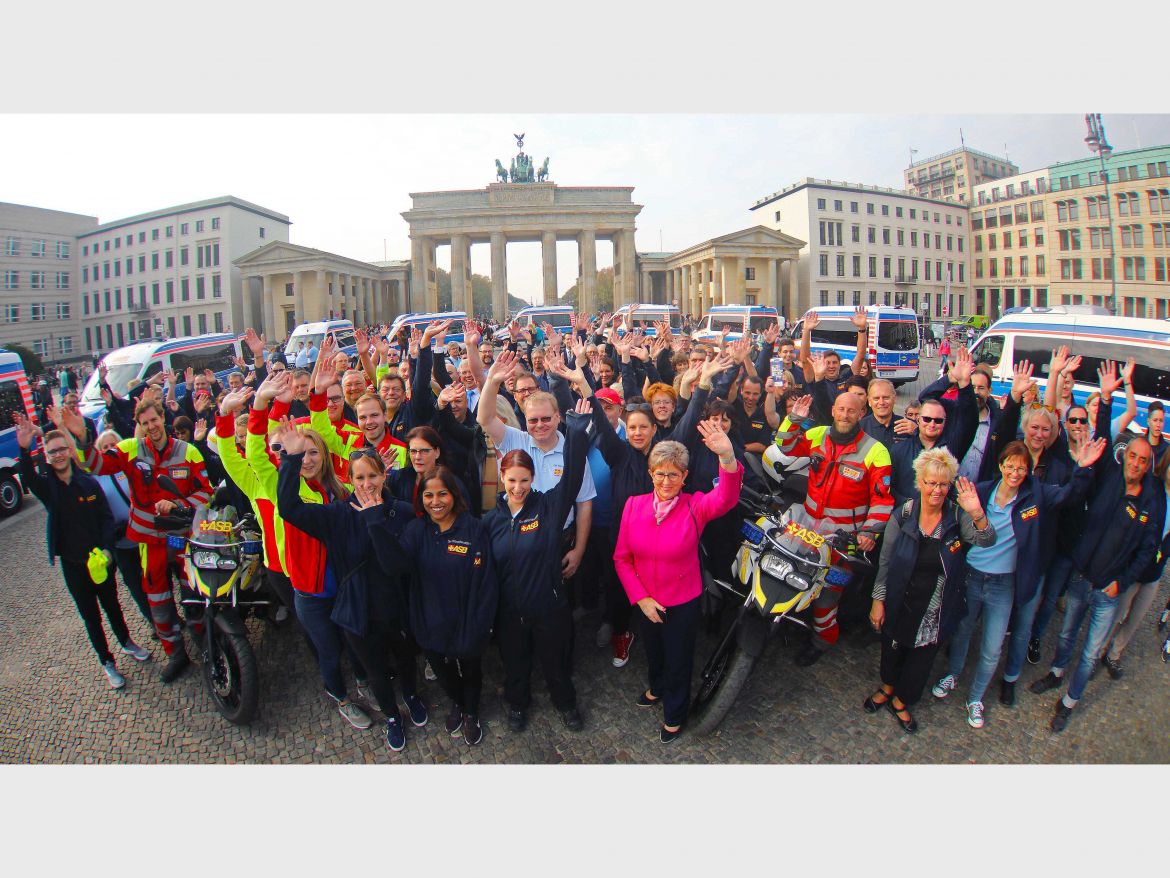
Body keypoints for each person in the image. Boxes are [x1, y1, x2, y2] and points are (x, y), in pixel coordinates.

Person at [931, 437, 1105, 729]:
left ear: (1029, 470)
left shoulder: (1036, 496)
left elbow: (1070, 495)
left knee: (992, 648)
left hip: (1004, 585)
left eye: (1021, 468)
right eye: (1010, 466)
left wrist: (1084, 468)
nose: (1015, 473)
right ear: (1000, 465)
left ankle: (975, 698)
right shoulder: (983, 491)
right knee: (961, 633)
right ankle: (953, 674)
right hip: (972, 577)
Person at [273, 424, 427, 753]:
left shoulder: (399, 512)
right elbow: (288, 508)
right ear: (351, 481)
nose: (367, 484)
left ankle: (412, 696)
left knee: (405, 661)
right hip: (358, 613)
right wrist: (291, 459)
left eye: (372, 476)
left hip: (396, 609)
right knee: (375, 670)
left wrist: (374, 519)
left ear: (384, 476)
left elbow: (397, 565)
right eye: (359, 478)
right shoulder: (338, 516)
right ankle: (391, 716)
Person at [613, 423, 744, 744]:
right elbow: (621, 558)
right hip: (646, 600)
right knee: (654, 652)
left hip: (682, 600)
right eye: (660, 474)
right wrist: (640, 598)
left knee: (679, 658)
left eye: (673, 475)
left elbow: (727, 497)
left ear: (684, 477)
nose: (666, 481)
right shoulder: (633, 505)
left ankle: (675, 711)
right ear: (650, 473)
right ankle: (657, 687)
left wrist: (726, 456)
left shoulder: (696, 505)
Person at [71, 397, 211, 682]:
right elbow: (94, 464)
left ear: (163, 418)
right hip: (151, 542)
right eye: (145, 423)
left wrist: (178, 502)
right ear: (140, 425)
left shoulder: (189, 452)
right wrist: (83, 438)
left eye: (155, 420)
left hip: (182, 538)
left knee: (194, 592)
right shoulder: (129, 449)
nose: (151, 427)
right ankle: (175, 653)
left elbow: (206, 493)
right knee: (158, 599)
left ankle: (204, 643)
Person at [1029, 432, 1160, 732]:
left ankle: (1070, 702)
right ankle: (1056, 673)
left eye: (1143, 460)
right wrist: (1106, 399)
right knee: (1065, 635)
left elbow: (1147, 551)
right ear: (1124, 457)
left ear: (1148, 466)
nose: (1136, 464)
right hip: (1081, 577)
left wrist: (1123, 581)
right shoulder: (1110, 481)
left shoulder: (1150, 503)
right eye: (1133, 457)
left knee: (1090, 653)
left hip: (1108, 590)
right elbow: (1100, 435)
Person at [364, 467, 499, 746]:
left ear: (454, 495)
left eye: (442, 494)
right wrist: (375, 524)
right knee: (445, 675)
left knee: (472, 672)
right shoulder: (416, 530)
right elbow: (394, 566)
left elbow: (486, 582)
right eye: (428, 495)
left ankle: (471, 712)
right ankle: (458, 703)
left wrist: (481, 625)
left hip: (468, 623)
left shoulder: (473, 528)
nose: (435, 501)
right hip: (430, 626)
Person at [16, 420, 151, 689]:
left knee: (113, 606)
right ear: (47, 456)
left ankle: (126, 642)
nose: (57, 455)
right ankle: (106, 661)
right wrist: (22, 448)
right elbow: (29, 477)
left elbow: (105, 519)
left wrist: (107, 550)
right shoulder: (49, 489)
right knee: (91, 617)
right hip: (73, 566)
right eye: (52, 452)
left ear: (69, 450)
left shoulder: (88, 483)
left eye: (61, 449)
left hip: (99, 562)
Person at [867, 451, 994, 732]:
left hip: (935, 607)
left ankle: (901, 699)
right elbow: (885, 561)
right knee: (891, 650)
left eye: (943, 484)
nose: (937, 490)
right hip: (900, 599)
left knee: (920, 661)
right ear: (920, 482)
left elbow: (986, 540)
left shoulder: (957, 518)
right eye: (931, 483)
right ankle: (887, 687)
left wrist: (977, 513)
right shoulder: (904, 514)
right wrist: (878, 600)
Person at [484, 405, 590, 734]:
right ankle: (518, 705)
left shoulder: (548, 507)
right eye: (512, 480)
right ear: (502, 478)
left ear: (533, 479)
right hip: (510, 610)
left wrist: (574, 434)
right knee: (515, 664)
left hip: (548, 604)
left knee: (555, 663)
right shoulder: (490, 522)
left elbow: (572, 478)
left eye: (524, 480)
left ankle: (566, 704)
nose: (517, 488)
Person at [774, 389, 894, 666]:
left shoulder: (877, 452)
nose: (844, 415)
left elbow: (882, 499)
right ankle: (786, 623)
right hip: (806, 526)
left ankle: (821, 642)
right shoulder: (818, 435)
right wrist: (793, 419)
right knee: (789, 574)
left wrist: (869, 532)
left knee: (827, 596)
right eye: (840, 409)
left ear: (861, 414)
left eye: (851, 410)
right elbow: (784, 445)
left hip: (842, 539)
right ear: (833, 411)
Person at [1098, 449, 1170, 679]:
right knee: (1117, 612)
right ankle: (1098, 651)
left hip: (1155, 572)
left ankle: (1114, 654)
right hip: (1136, 564)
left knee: (1135, 618)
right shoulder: (1154, 488)